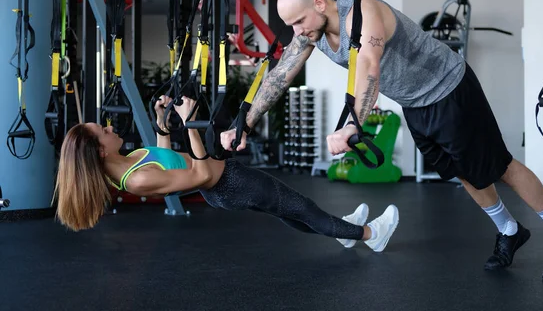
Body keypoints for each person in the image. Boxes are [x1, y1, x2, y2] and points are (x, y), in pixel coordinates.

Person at [220, 0, 543, 281]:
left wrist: (353, 125)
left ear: (319, 4)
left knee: (500, 167)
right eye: (292, 25)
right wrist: (246, 123)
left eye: (299, 21)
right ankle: (510, 231)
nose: (297, 31)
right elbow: (281, 74)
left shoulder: (364, 14)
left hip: (449, 89)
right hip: (416, 104)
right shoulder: (312, 32)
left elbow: (369, 67)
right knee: (463, 172)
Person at [52, 95, 399, 253]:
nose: (110, 127)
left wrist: (162, 121)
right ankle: (370, 234)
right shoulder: (136, 179)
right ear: (100, 150)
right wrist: (190, 123)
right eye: (103, 129)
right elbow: (201, 174)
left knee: (288, 210)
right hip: (228, 183)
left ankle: (343, 232)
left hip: (226, 183)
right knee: (302, 207)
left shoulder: (125, 165)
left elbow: (167, 156)